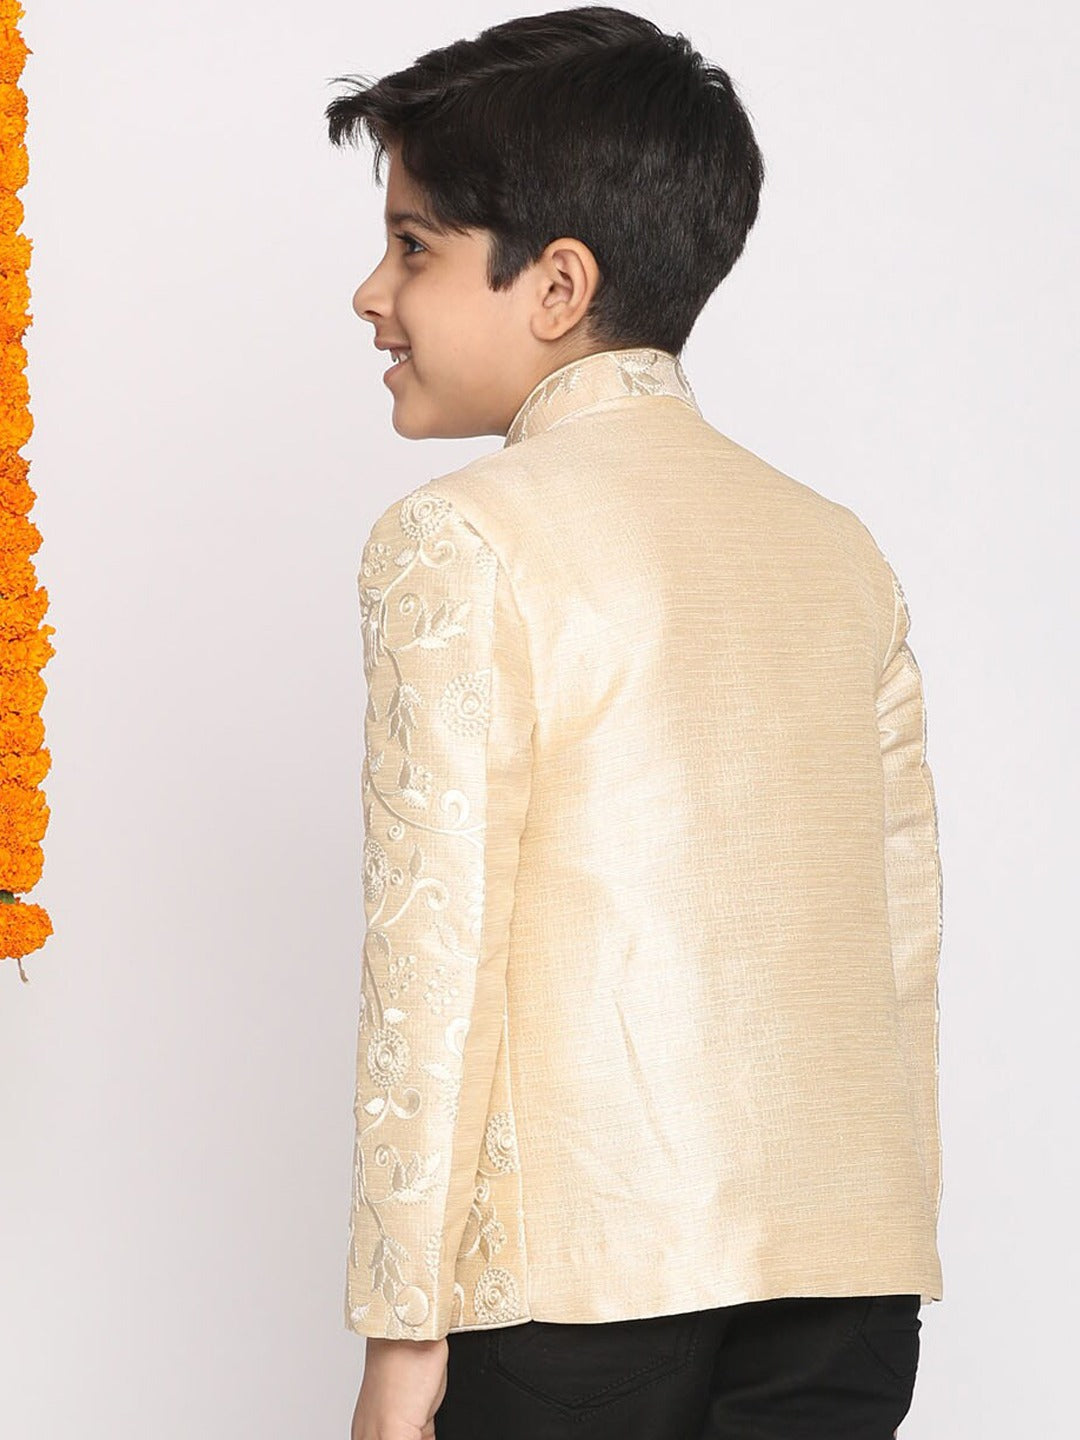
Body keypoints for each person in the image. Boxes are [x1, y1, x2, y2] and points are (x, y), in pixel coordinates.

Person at [325, 8, 943, 1438]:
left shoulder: (460, 537)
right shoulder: (837, 547)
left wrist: (401, 1330)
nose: (371, 292)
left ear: (557, 284)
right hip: (849, 1296)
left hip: (579, 1297)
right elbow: (899, 940)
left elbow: (433, 958)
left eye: (411, 245)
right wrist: (893, 1246)